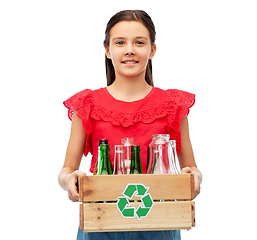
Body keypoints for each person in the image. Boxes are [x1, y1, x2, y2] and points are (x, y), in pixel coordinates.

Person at [58, 10, 202, 240]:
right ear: (107, 50)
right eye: (120, 42)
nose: (129, 50)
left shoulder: (172, 105)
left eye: (139, 42)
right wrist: (69, 181)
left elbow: (192, 168)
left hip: (158, 223)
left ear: (152, 50)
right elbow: (66, 170)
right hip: (101, 222)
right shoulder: (88, 105)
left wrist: (193, 178)